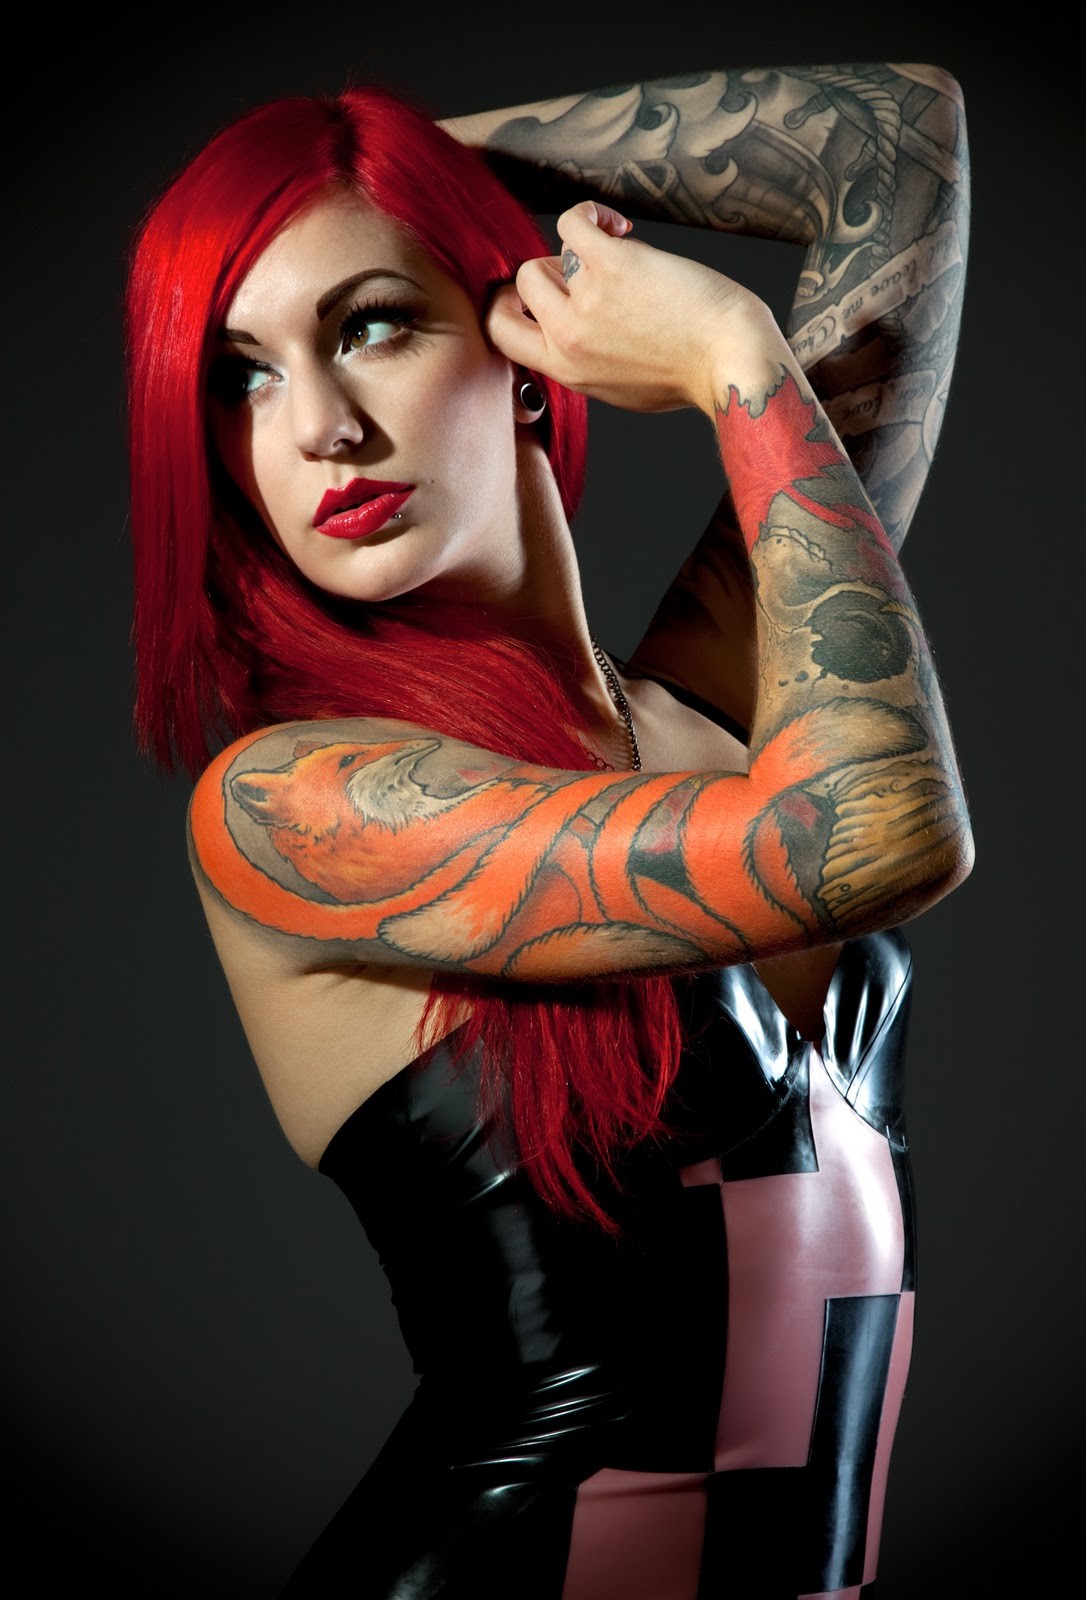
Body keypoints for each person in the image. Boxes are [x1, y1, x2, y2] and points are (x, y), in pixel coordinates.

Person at [124, 60, 973, 1600]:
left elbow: (894, 145)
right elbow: (874, 834)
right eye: (239, 375)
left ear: (520, 345)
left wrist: (416, 168)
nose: (318, 427)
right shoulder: (295, 805)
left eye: (370, 324)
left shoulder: (705, 710)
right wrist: (730, 349)